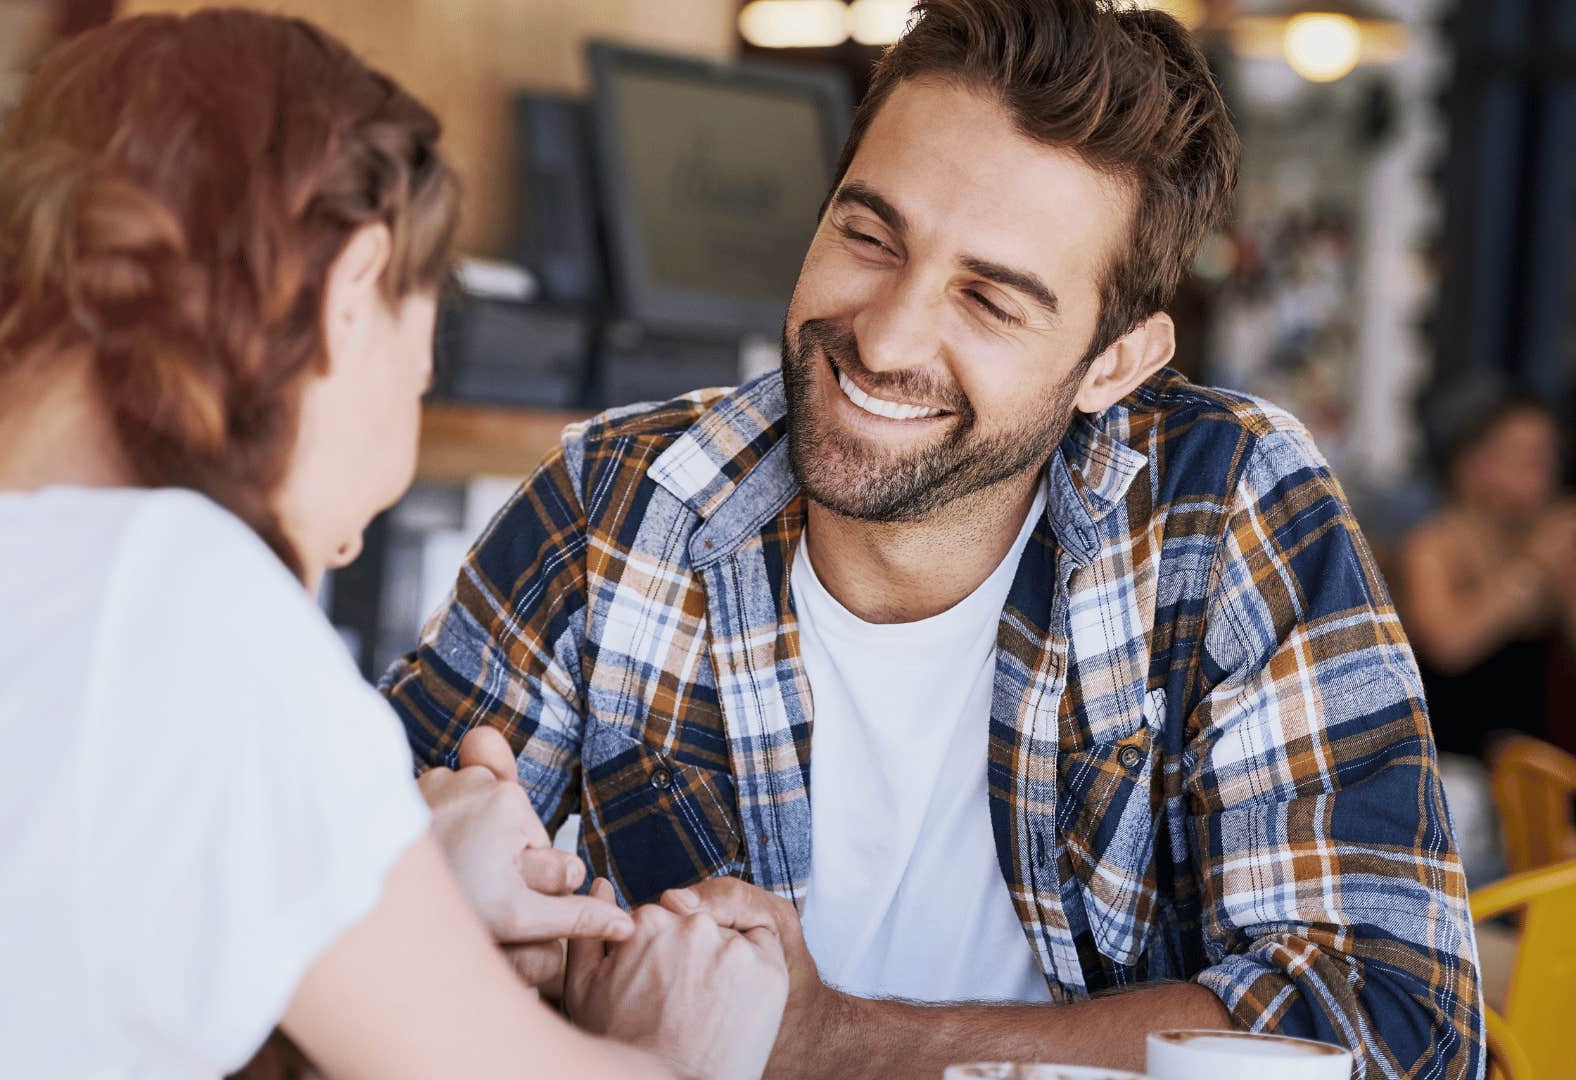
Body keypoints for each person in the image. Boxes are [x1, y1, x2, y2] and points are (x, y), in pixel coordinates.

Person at [0, 12, 787, 1079]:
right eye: (419, 363)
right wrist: (675, 1036)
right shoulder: (185, 599)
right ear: (354, 290)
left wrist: (402, 885)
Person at [381, 1, 1482, 1076]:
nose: (889, 333)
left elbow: (1392, 1023)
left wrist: (821, 1040)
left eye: (991, 301)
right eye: (870, 235)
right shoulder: (614, 505)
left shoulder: (1226, 507)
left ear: (1114, 364)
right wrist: (441, 900)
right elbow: (317, 919)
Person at [1401, 386, 1576, 758]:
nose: (1541, 473)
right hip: (1450, 762)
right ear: (1473, 465)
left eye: (1548, 457)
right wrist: (1532, 568)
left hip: (1537, 766)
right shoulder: (1435, 546)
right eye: (1524, 456)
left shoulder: (1553, 536)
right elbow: (1448, 644)